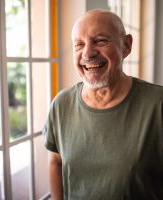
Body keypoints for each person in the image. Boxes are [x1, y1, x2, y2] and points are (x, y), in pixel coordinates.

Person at [42, 9, 163, 200]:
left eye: (100, 41)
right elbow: (56, 161)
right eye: (79, 44)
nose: (88, 53)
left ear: (126, 45)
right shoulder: (61, 104)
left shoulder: (158, 103)